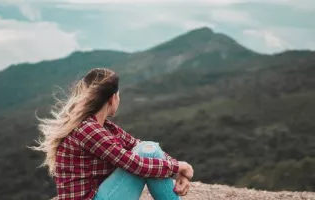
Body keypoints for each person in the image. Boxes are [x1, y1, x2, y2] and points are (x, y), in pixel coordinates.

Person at [33, 68, 194, 200]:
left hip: (98, 194)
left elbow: (137, 145)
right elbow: (135, 164)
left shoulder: (103, 127)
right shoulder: (88, 130)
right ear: (112, 98)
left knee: (147, 148)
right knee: (146, 152)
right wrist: (180, 166)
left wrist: (179, 170)